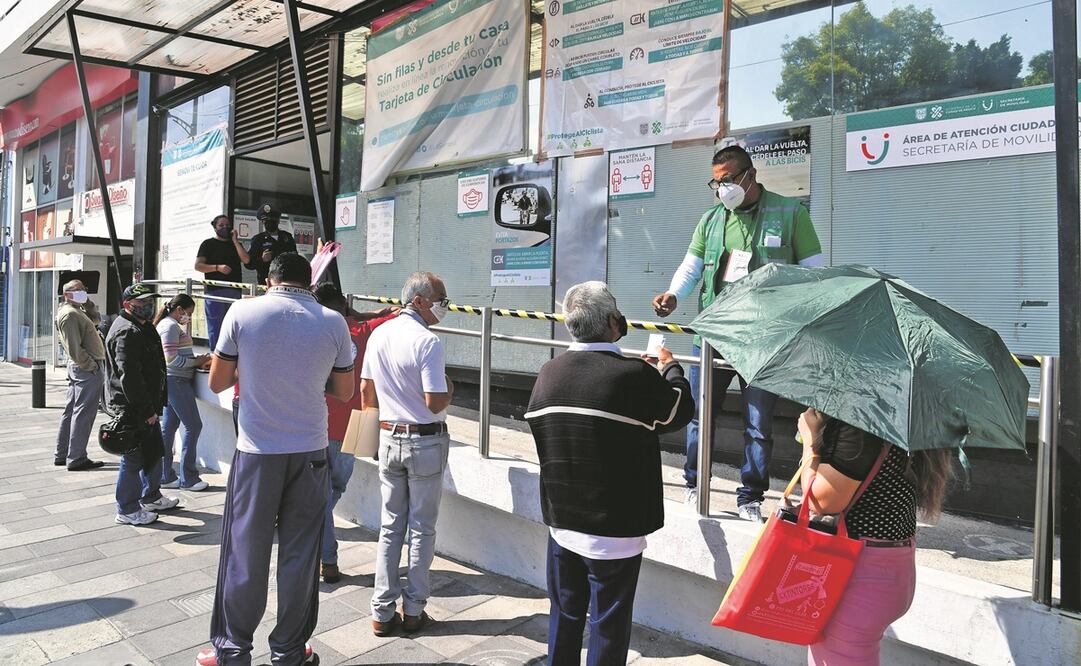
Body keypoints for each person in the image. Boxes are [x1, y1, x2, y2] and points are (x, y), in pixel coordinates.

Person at [525, 281, 695, 666]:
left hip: (562, 522)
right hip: (615, 528)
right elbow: (678, 412)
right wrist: (670, 369)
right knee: (608, 624)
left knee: (565, 614)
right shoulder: (632, 374)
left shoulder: (549, 372)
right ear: (611, 322)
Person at [651, 145, 825, 521]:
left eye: (728, 179)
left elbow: (814, 273)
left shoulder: (791, 214)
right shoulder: (712, 219)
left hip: (764, 340)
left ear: (750, 174)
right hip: (713, 337)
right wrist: (672, 295)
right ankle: (697, 485)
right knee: (699, 417)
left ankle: (750, 497)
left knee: (758, 425)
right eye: (716, 182)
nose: (723, 188)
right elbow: (691, 267)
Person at [196, 253, 353, 666]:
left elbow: (217, 381)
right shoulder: (333, 321)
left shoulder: (242, 312)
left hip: (257, 451)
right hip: (311, 451)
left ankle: (232, 650)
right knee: (301, 555)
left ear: (270, 279)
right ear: (310, 283)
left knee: (244, 552)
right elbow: (344, 391)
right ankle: (288, 651)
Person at [795, 409, 952, 665]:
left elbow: (822, 500)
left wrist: (811, 442)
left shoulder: (861, 420)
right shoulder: (906, 413)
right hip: (892, 564)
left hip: (857, 572)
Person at [360, 271, 453, 637]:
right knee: (421, 528)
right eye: (440, 299)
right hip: (425, 441)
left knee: (390, 527)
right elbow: (434, 403)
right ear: (419, 300)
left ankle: (381, 612)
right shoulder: (428, 342)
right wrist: (451, 390)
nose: (445, 306)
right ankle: (413, 610)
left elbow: (367, 393)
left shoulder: (379, 334)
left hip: (387, 437)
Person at [312, 283, 397, 584]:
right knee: (336, 488)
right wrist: (364, 314)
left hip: (321, 421)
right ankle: (325, 553)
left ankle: (323, 550)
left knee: (321, 496)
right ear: (344, 306)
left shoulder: (317, 332)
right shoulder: (366, 330)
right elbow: (402, 314)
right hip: (362, 420)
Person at [104, 283, 181, 526]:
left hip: (145, 405)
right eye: (144, 303)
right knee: (134, 458)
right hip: (132, 408)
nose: (149, 306)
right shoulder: (127, 331)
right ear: (128, 305)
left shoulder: (141, 326)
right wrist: (147, 411)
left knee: (153, 452)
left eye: (151, 302)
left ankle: (151, 496)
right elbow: (130, 377)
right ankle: (127, 509)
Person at [154, 294, 212, 492]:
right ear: (178, 309)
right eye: (188, 313)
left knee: (168, 427)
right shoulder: (170, 326)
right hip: (176, 380)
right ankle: (188, 478)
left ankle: (164, 474)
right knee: (193, 426)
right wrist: (196, 362)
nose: (188, 317)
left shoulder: (168, 325)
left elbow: (176, 354)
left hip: (174, 380)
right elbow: (171, 359)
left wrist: (196, 359)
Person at [54, 279, 106, 471]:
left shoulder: (77, 311)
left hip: (84, 367)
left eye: (84, 288)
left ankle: (64, 453)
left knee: (73, 410)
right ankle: (76, 457)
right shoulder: (69, 315)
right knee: (84, 412)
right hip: (86, 368)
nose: (83, 291)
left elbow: (96, 320)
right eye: (79, 290)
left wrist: (88, 302)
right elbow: (74, 348)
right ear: (67, 294)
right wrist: (91, 366)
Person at [195, 214, 250, 351]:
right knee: (216, 324)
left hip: (234, 290)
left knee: (233, 325)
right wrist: (217, 268)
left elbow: (246, 260)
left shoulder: (235, 244)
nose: (225, 227)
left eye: (227, 225)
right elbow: (198, 265)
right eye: (221, 225)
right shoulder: (207, 244)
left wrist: (236, 241)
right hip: (215, 291)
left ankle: (232, 354)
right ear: (215, 227)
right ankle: (216, 354)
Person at [246, 204, 297, 285]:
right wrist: (262, 260)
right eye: (266, 220)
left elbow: (295, 258)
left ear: (278, 221)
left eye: (272, 219)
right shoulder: (258, 239)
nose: (269, 222)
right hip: (266, 284)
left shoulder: (287, 237)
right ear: (262, 222)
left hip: (286, 282)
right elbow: (249, 264)